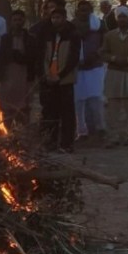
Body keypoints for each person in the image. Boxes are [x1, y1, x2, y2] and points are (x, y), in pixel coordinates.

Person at [99, 10, 128, 146]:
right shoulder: (109, 36)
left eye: (124, 17)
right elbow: (102, 53)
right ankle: (113, 136)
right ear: (116, 19)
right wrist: (113, 58)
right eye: (119, 17)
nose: (122, 20)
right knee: (113, 104)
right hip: (114, 72)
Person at [39, 8, 80, 152]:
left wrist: (60, 75)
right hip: (50, 79)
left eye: (58, 17)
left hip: (65, 80)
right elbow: (44, 57)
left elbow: (73, 59)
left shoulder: (73, 35)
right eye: (53, 17)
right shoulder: (48, 34)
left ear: (64, 18)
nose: (55, 20)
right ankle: (51, 142)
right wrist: (48, 74)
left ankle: (67, 144)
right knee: (51, 112)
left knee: (67, 114)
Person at [72, 0, 106, 141]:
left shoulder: (99, 25)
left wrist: (98, 53)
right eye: (81, 10)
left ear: (91, 11)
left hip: (95, 67)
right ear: (77, 11)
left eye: (86, 10)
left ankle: (99, 128)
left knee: (96, 100)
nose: (84, 12)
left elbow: (106, 43)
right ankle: (82, 131)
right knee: (79, 102)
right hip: (77, 68)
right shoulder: (71, 26)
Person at [0, 10, 39, 127]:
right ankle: (7, 132)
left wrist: (21, 57)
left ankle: (24, 133)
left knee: (24, 105)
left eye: (20, 20)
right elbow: (1, 56)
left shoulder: (30, 38)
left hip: (24, 75)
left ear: (24, 21)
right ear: (11, 22)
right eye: (15, 20)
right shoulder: (5, 38)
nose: (17, 22)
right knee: (6, 106)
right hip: (8, 76)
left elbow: (33, 57)